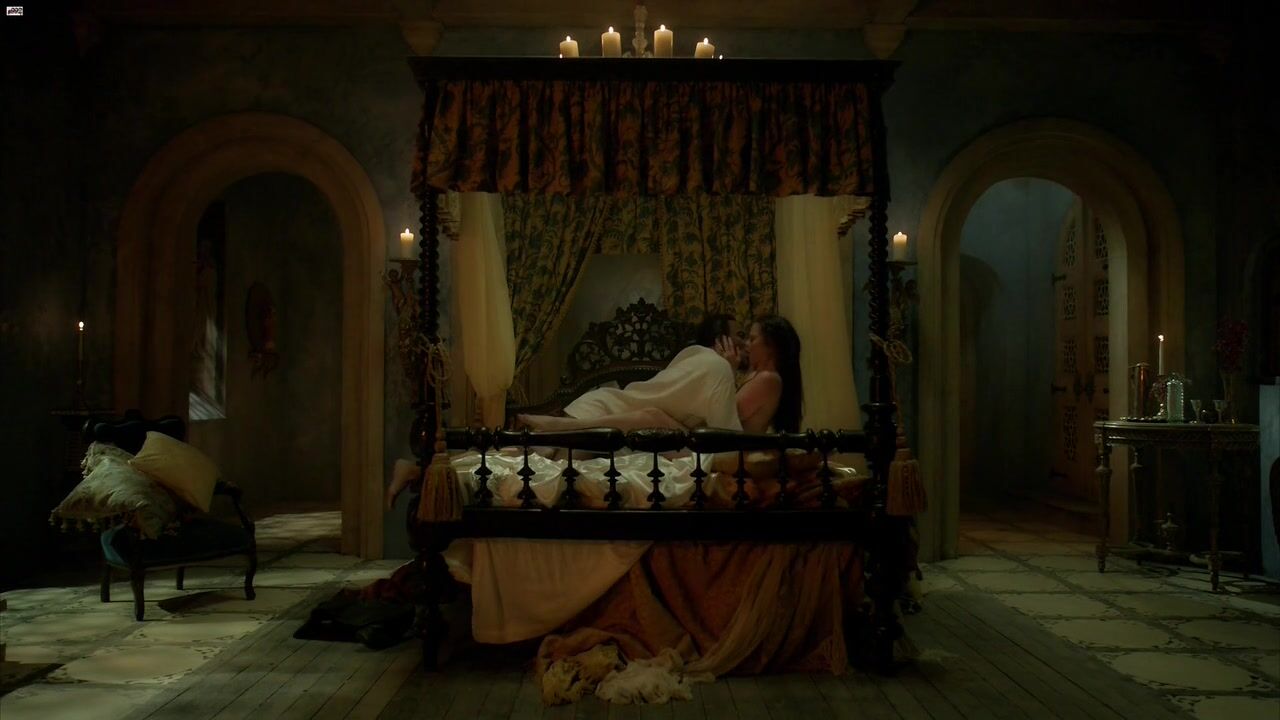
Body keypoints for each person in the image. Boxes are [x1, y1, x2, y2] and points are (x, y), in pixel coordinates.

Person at [520, 313, 745, 432]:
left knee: (551, 461)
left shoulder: (703, 362)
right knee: (546, 459)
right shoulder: (712, 365)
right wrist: (728, 368)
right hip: (603, 412)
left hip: (614, 416)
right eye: (741, 336)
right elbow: (726, 436)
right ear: (722, 340)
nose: (745, 344)